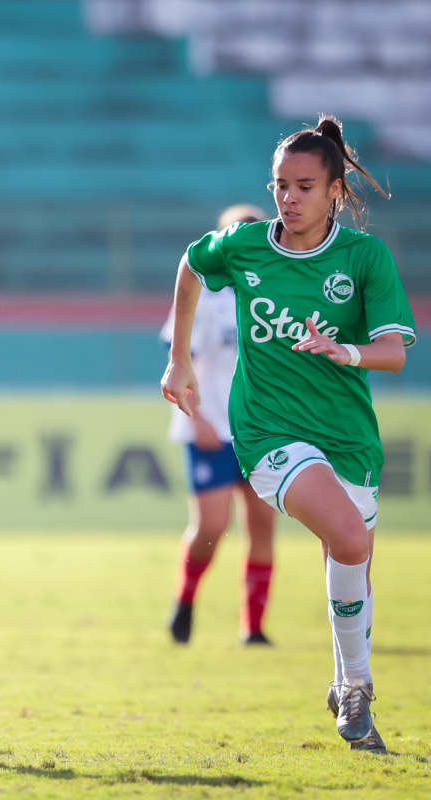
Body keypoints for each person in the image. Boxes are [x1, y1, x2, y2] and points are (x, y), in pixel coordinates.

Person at [161, 115, 416, 755]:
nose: (288, 198)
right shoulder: (245, 245)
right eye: (280, 184)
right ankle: (356, 687)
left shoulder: (364, 258)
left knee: (350, 558)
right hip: (267, 431)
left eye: (304, 186)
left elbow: (393, 352)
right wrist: (179, 360)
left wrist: (345, 351)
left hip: (349, 438)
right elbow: (190, 265)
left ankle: (344, 681)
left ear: (334, 191)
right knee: (349, 539)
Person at [163, 204, 278, 646]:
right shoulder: (204, 295)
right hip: (210, 427)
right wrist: (198, 421)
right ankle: (185, 600)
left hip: (261, 431)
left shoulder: (275, 297)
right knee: (212, 527)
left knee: (262, 524)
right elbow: (181, 362)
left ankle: (254, 627)